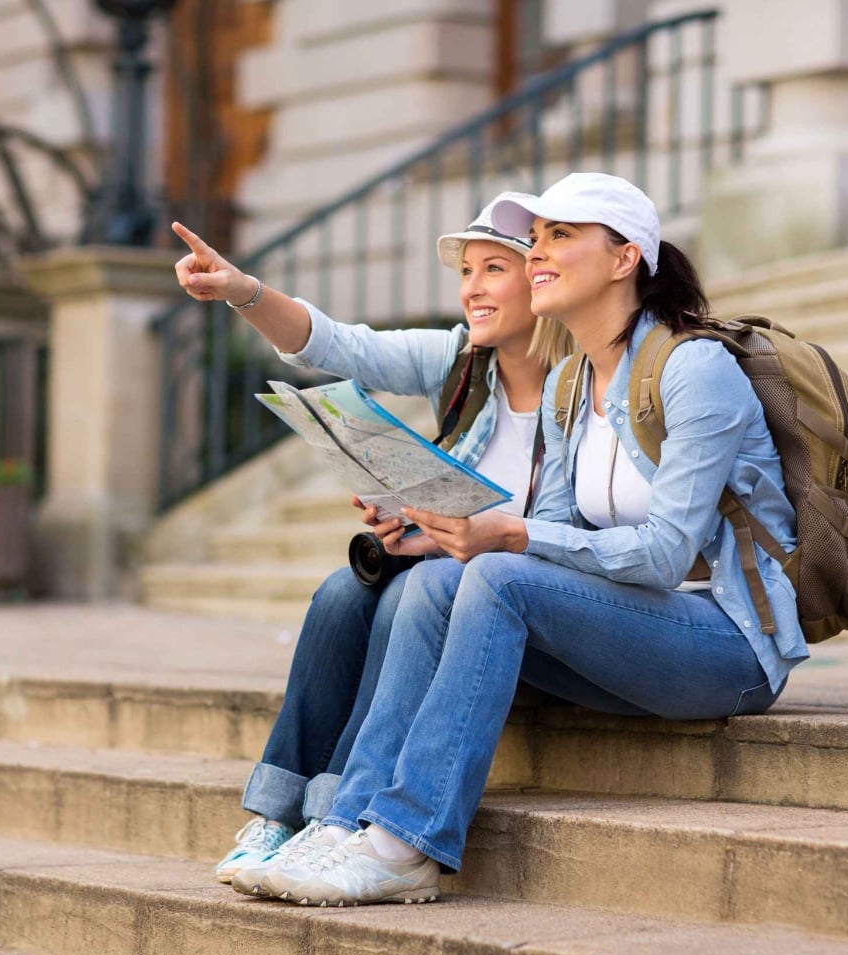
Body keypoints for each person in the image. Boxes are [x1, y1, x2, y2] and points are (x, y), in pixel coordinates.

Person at [258, 172, 809, 908]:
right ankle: (341, 823)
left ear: (624, 259)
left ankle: (408, 843)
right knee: (432, 582)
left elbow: (665, 554)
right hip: (622, 627)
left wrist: (509, 534)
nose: (539, 253)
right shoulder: (571, 384)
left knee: (499, 575)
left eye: (561, 236)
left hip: (726, 644)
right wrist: (450, 535)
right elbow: (554, 529)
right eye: (538, 237)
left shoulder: (693, 368)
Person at [168, 197, 574, 890]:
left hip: (506, 599)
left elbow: (556, 532)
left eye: (494, 268)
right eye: (466, 270)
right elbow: (337, 344)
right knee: (339, 591)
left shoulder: (581, 389)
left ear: (541, 281)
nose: (472, 287)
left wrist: (443, 543)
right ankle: (279, 815)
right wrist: (245, 292)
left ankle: (340, 816)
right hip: (448, 574)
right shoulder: (461, 362)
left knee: (405, 596)